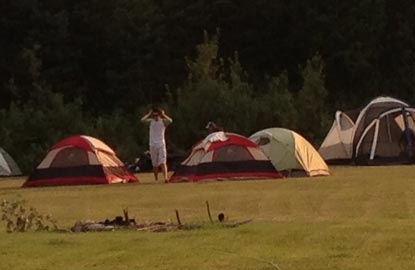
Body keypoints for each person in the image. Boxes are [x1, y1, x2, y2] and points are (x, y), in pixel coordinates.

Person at [141, 107, 173, 182]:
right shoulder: (151, 122)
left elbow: (170, 120)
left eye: (157, 115)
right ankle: (156, 179)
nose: (155, 117)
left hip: (161, 143)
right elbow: (142, 120)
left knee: (163, 162)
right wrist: (148, 114)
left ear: (159, 115)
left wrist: (164, 114)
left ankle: (165, 178)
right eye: (154, 115)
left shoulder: (163, 122)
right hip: (152, 144)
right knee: (154, 163)